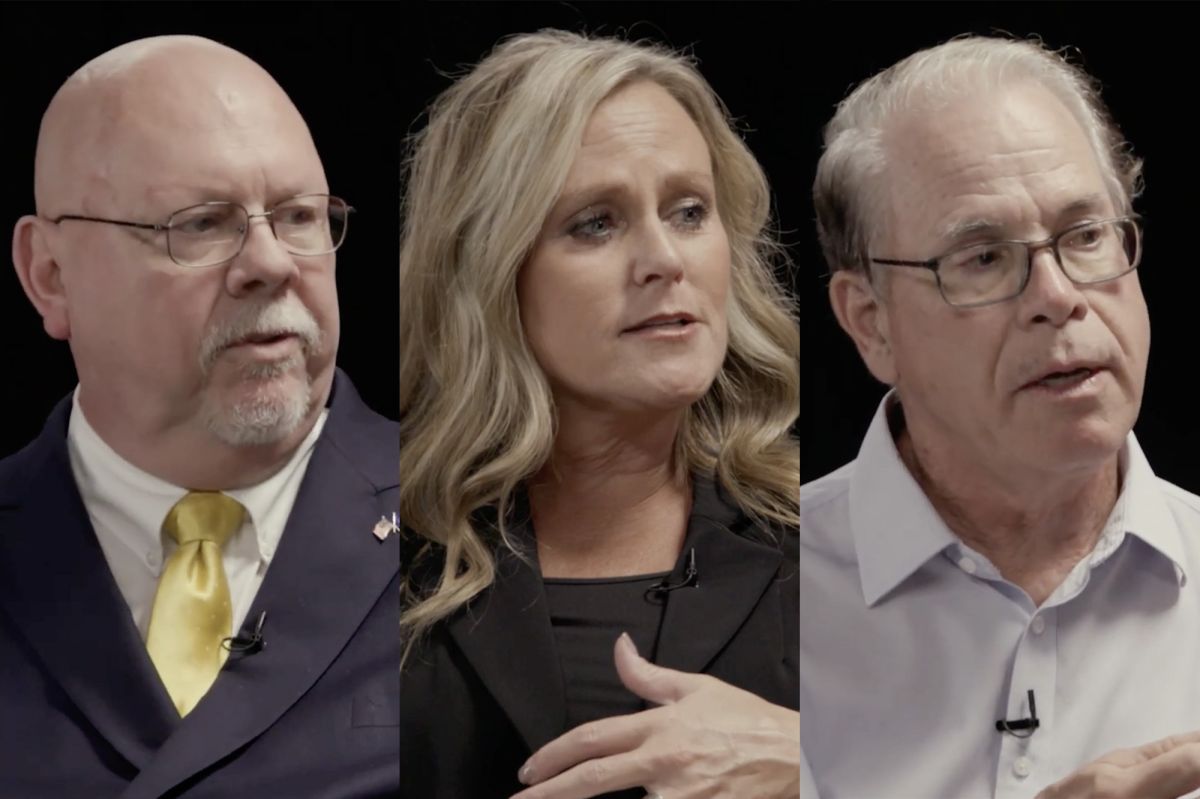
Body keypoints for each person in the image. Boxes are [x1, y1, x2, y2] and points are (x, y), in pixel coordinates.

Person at [398, 29, 802, 799]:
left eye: (689, 211)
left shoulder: (832, 543)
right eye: (597, 223)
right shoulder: (381, 560)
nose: (665, 259)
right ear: (491, 268)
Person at [0, 35, 399, 797]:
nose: (272, 263)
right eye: (202, 223)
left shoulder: (468, 525)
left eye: (299, 216)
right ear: (50, 276)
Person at [803, 34, 1200, 799]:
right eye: (983, 257)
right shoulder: (761, 593)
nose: (1058, 295)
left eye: (1085, 236)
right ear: (870, 323)